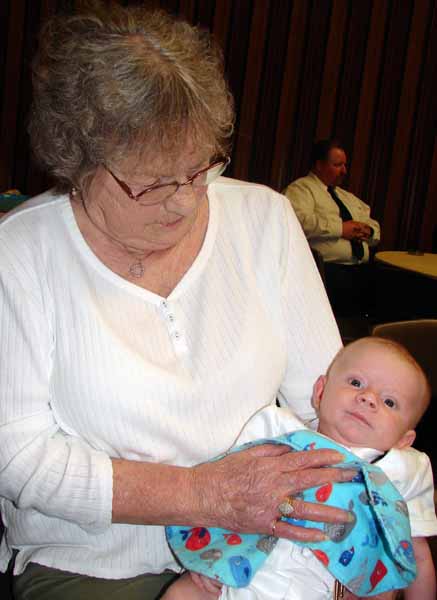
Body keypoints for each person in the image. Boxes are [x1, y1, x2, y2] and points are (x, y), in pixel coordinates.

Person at [0, 4, 358, 600]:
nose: (185, 202)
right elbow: (18, 457)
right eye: (153, 183)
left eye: (199, 171)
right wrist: (204, 494)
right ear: (77, 162)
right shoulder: (19, 254)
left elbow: (327, 402)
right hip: (96, 560)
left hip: (270, 550)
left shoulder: (264, 220)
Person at [165, 337, 437, 600]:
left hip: (326, 589)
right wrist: (206, 556)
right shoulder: (277, 429)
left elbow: (419, 556)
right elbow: (225, 489)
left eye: (389, 402)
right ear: (320, 392)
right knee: (184, 593)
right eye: (356, 383)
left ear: (404, 440)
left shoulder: (404, 472)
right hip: (241, 571)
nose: (368, 398)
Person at [282, 140, 380, 317]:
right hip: (325, 272)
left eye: (344, 165)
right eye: (337, 165)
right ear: (319, 165)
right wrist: (341, 229)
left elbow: (373, 225)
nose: (344, 171)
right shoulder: (301, 189)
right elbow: (298, 222)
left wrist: (368, 231)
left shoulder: (346, 196)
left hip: (359, 270)